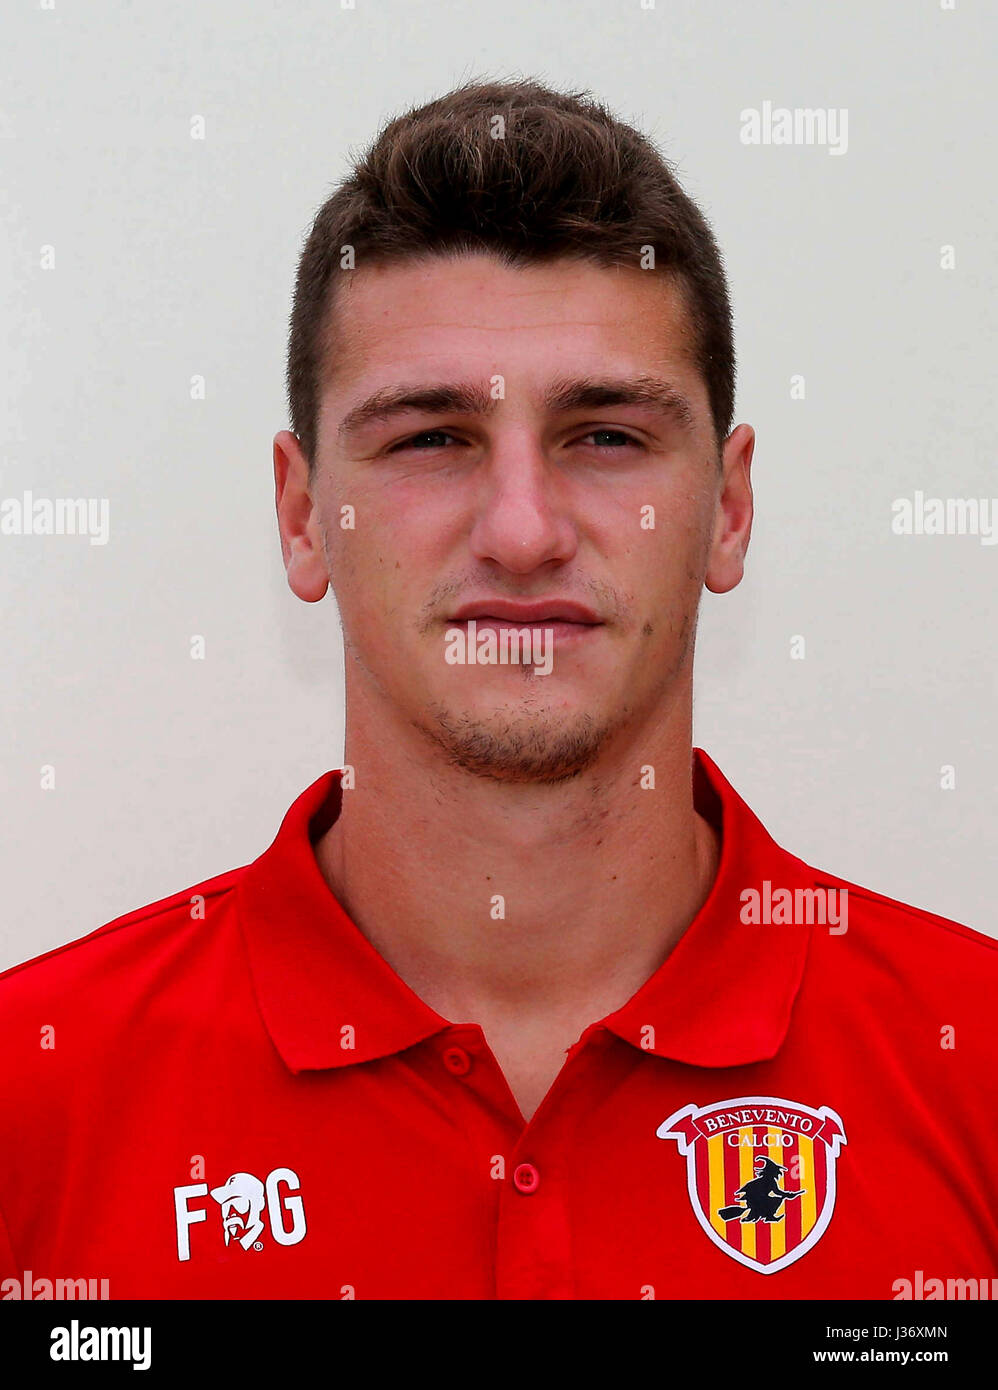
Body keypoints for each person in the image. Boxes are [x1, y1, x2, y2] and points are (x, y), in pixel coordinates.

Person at [1, 78, 995, 1301]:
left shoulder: (973, 1064)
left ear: (727, 511)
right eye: (428, 438)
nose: (522, 533)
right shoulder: (32, 1098)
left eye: (606, 435)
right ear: (302, 517)